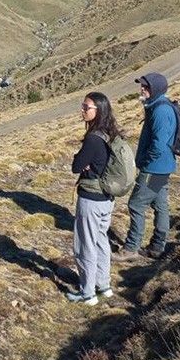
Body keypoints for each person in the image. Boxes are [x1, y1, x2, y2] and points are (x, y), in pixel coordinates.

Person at [66, 92, 122, 305]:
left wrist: (82, 161)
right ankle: (104, 285)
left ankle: (87, 293)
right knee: (100, 240)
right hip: (107, 198)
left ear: (98, 110)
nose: (82, 110)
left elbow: (76, 166)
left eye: (86, 107)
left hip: (91, 199)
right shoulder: (110, 133)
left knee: (84, 244)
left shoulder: (92, 139)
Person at [114, 73, 177, 261]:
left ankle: (131, 248)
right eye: (142, 86)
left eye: (146, 87)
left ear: (155, 89)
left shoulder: (160, 111)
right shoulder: (158, 106)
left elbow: (159, 144)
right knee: (160, 205)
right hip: (162, 167)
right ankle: (157, 247)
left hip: (154, 169)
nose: (142, 89)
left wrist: (145, 162)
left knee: (136, 204)